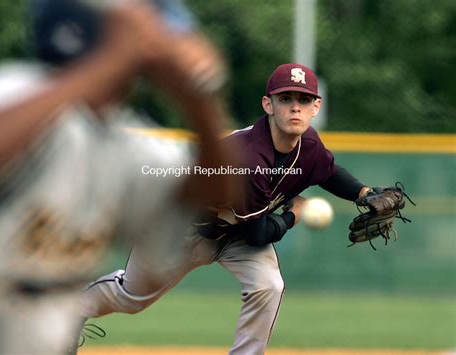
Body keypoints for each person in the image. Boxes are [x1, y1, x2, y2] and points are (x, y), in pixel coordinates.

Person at [0, 1, 236, 354]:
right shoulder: (14, 90)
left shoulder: (125, 143)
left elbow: (216, 194)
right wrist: (110, 60)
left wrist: (200, 101)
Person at [77, 63, 373, 354]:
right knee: (132, 298)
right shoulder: (248, 158)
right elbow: (257, 234)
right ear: (268, 105)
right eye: (286, 99)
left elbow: (329, 173)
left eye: (304, 99)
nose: (295, 108)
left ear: (316, 106)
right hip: (180, 226)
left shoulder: (308, 144)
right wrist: (293, 215)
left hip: (235, 231)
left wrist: (364, 193)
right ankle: (69, 310)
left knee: (267, 285)